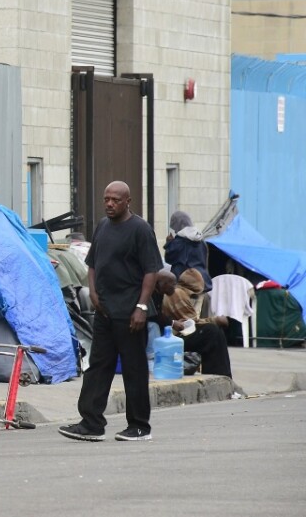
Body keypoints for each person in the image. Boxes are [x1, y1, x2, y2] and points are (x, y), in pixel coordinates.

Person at [59, 181, 163, 442]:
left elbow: (152, 271)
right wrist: (93, 292)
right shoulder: (103, 227)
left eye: (115, 200)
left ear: (128, 202)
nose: (109, 204)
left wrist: (141, 307)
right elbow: (92, 264)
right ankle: (91, 423)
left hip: (130, 313)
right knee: (98, 367)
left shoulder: (140, 229)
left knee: (134, 369)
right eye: (106, 199)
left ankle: (139, 426)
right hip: (104, 311)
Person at [154, 269, 233, 378]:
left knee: (214, 332)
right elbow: (192, 322)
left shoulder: (181, 293)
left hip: (176, 334)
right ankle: (220, 374)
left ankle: (221, 374)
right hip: (173, 338)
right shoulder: (178, 293)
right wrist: (215, 320)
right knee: (211, 331)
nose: (174, 286)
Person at [164, 211, 212, 292]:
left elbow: (169, 258)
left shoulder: (179, 241)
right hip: (203, 282)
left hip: (185, 284)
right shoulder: (201, 240)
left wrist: (169, 243)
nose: (175, 231)